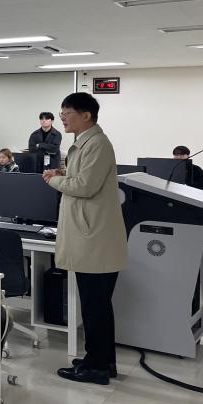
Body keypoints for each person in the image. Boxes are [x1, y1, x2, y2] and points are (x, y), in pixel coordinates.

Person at [43, 93, 127, 385]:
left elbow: (85, 186)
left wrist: (53, 179)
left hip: (94, 239)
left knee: (95, 306)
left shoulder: (97, 144)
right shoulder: (85, 144)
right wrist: (64, 172)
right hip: (91, 237)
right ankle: (102, 360)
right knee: (97, 305)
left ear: (86, 115)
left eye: (67, 112)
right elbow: (82, 177)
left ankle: (96, 367)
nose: (62, 118)